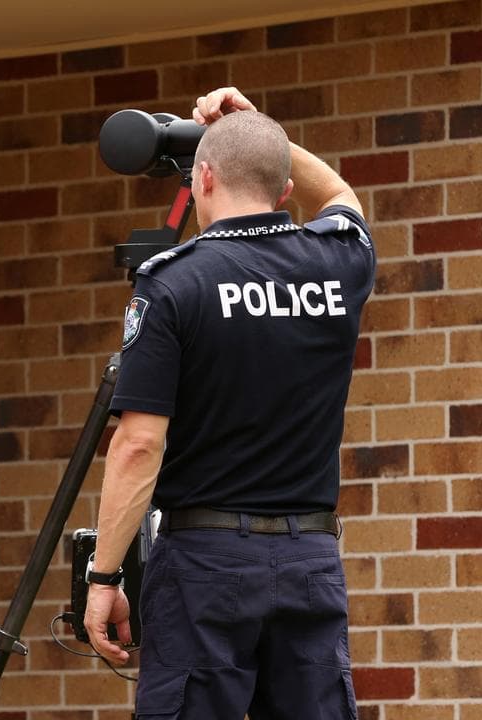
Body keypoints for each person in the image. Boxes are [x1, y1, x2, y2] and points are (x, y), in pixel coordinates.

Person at [83, 86, 375, 719]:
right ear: (284, 190)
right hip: (310, 559)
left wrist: (104, 577)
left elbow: (137, 445)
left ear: (202, 177)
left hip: (205, 567)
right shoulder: (338, 264)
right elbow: (343, 198)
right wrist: (261, 134)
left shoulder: (173, 281)